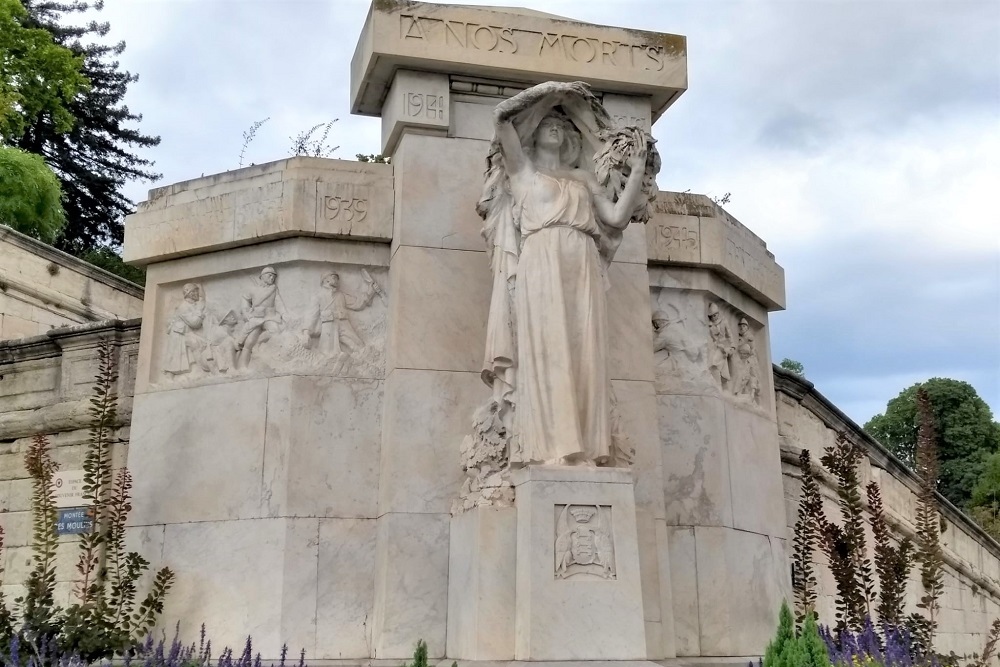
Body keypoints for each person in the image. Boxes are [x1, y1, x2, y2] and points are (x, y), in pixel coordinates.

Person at [484, 81, 651, 466]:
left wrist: (638, 169)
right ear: (535, 131)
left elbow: (616, 217)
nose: (555, 127)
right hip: (541, 257)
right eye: (547, 124)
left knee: (584, 353)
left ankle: (588, 449)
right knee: (548, 349)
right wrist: (550, 92)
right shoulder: (522, 171)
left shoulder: (583, 178)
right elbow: (501, 118)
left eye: (562, 124)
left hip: (582, 259)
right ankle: (550, 449)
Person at [302, 271, 378, 363]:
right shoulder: (318, 296)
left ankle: (365, 363)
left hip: (343, 323)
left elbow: (357, 303)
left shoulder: (340, 295)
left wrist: (370, 291)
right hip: (329, 325)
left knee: (358, 345)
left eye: (337, 278)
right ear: (325, 279)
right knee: (328, 354)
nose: (337, 280)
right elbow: (311, 315)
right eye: (333, 277)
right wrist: (306, 332)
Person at [235, 266, 286, 367]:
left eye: (274, 276)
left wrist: (284, 314)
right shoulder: (252, 289)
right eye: (270, 275)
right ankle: (242, 366)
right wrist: (246, 313)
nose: (272, 278)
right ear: (262, 276)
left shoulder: (274, 289)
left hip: (270, 317)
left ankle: (260, 345)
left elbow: (278, 302)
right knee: (249, 340)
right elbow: (245, 301)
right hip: (256, 318)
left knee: (275, 331)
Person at [163, 283, 210, 375]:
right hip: (179, 334)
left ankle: (198, 369)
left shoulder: (192, 305)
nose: (198, 294)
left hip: (186, 333)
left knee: (200, 343)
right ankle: (202, 369)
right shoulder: (184, 307)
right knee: (175, 359)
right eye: (196, 291)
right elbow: (194, 323)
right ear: (191, 293)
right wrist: (201, 311)